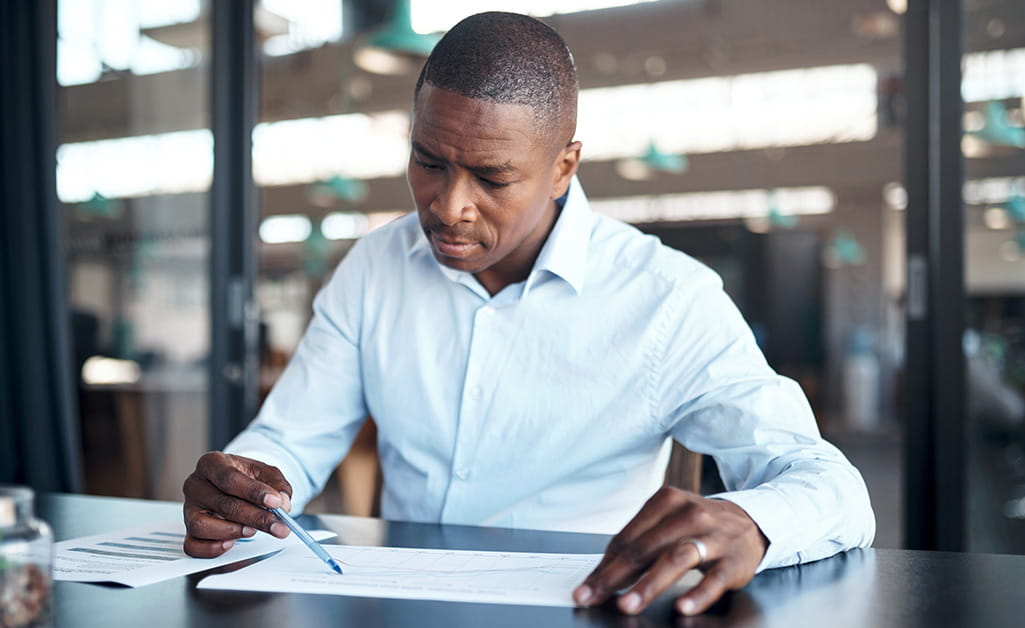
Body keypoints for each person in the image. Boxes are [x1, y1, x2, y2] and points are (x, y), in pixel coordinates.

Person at [182, 11, 875, 616]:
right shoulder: (373, 269)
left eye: (491, 177)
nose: (448, 205)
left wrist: (750, 519)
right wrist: (247, 484)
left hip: (584, 608)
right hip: (398, 608)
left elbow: (831, 486)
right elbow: (293, 441)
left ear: (564, 166)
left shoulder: (667, 299)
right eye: (428, 161)